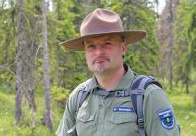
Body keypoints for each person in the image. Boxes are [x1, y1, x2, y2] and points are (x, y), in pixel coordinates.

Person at [56, 8, 180, 136]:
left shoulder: (149, 96)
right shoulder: (78, 97)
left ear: (123, 48)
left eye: (107, 43)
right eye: (91, 46)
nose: (98, 52)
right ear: (85, 53)